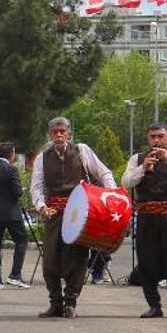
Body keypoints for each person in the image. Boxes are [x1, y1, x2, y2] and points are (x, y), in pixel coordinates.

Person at [31, 117, 115, 319]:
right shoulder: (42, 157)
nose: (58, 135)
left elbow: (104, 173)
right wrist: (42, 207)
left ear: (69, 133)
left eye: (62, 131)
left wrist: (111, 196)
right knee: (50, 260)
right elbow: (36, 187)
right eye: (54, 132)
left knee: (76, 259)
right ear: (50, 135)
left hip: (79, 212)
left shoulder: (82, 150)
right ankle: (55, 303)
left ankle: (71, 303)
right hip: (53, 212)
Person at [122, 123, 167, 319]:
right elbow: (126, 182)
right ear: (148, 139)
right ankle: (154, 305)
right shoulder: (137, 158)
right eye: (152, 136)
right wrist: (143, 168)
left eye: (160, 136)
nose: (156, 140)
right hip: (147, 216)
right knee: (147, 262)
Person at [0, 142, 29, 289]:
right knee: (22, 240)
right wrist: (21, 189)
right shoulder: (11, 169)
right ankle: (15, 275)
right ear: (11, 153)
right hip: (11, 213)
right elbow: (17, 192)